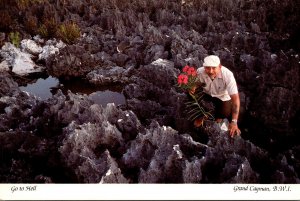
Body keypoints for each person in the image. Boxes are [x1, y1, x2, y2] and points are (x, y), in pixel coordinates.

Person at [190, 55, 241, 137]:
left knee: (225, 113)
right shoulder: (200, 72)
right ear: (204, 67)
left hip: (222, 97)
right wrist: (193, 86)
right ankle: (203, 116)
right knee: (191, 97)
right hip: (206, 94)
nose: (210, 71)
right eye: (207, 68)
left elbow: (235, 99)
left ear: (220, 67)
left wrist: (234, 122)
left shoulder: (228, 75)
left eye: (214, 68)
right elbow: (197, 83)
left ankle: (216, 117)